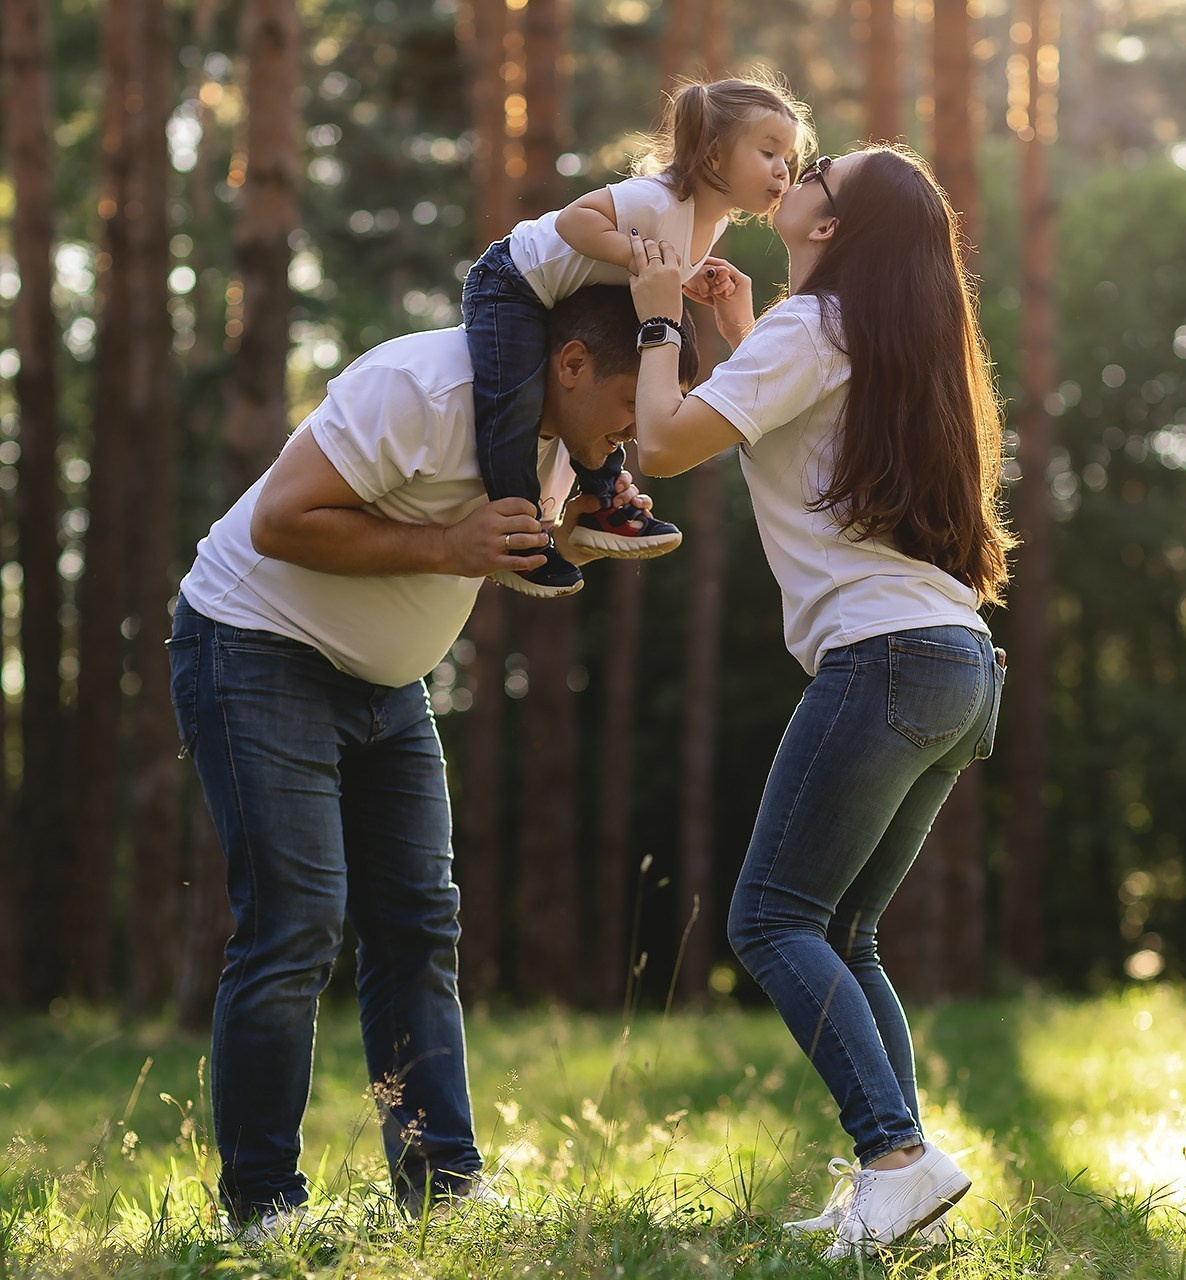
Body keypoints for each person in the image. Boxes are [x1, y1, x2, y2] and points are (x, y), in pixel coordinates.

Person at [167, 286, 696, 1236]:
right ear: (571, 363)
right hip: (255, 645)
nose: (635, 430)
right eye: (629, 403)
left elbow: (490, 549)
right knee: (295, 926)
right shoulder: (420, 384)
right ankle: (260, 1207)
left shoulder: (556, 441)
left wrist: (566, 536)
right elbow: (278, 521)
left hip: (388, 684)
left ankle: (440, 1186)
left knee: (418, 926)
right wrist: (451, 545)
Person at [625, 145, 1016, 1257]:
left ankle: (896, 1154)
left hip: (881, 659)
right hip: (953, 662)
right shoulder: (866, 337)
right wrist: (733, 331)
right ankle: (896, 1185)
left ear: (830, 226)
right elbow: (800, 449)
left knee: (768, 918)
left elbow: (660, 442)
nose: (791, 173)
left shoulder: (817, 330)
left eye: (815, 173)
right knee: (846, 931)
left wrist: (660, 323)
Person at [461, 73, 814, 596]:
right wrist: (634, 254)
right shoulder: (657, 198)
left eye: (787, 157)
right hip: (512, 282)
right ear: (714, 154)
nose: (783, 169)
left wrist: (688, 274)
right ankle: (521, 543)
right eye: (767, 152)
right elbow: (574, 222)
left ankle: (603, 503)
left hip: (571, 303)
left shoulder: (709, 221)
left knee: (615, 397)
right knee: (514, 401)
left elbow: (666, 253)